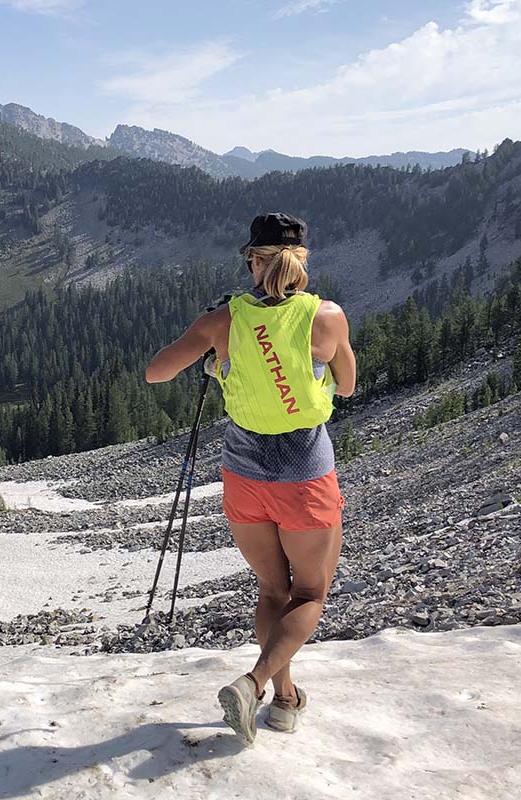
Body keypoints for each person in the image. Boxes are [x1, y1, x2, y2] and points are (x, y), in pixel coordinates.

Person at [144, 212, 356, 746]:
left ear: (252, 262)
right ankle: (256, 684)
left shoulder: (224, 320)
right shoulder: (326, 316)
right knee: (310, 592)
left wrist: (216, 355)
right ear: (301, 261)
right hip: (305, 472)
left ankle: (285, 699)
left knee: (272, 588)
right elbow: (348, 385)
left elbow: (156, 372)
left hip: (243, 472)